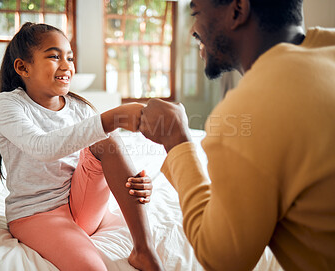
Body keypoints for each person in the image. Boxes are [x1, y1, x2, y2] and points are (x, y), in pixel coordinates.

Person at [140, 0, 335, 270]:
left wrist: (177, 139)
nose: (193, 30)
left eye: (196, 12)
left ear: (237, 10)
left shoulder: (252, 108)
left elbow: (221, 260)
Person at [0, 22, 163, 271]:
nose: (66, 66)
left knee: (108, 140)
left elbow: (102, 156)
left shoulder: (79, 107)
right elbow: (43, 148)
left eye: (70, 58)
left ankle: (143, 250)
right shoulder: (9, 105)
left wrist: (136, 181)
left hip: (81, 204)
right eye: (54, 56)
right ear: (22, 67)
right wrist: (111, 118)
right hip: (38, 214)